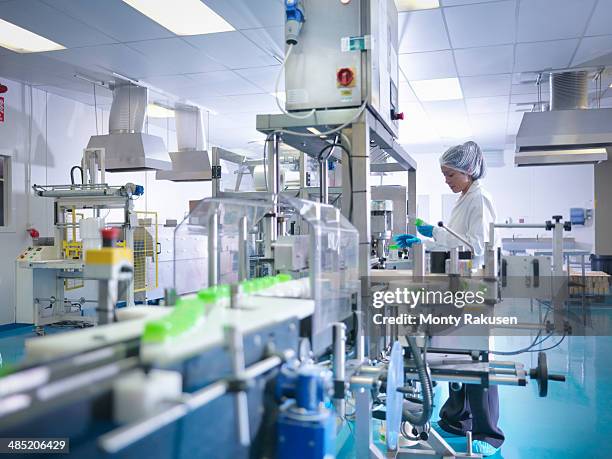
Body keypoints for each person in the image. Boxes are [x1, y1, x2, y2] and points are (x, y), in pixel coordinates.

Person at [394, 141, 503, 456]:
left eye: (450, 174)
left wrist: (429, 235)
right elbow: (457, 239)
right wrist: (428, 236)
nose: (446, 180)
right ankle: (457, 421)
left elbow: (475, 247)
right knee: (456, 355)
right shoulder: (466, 197)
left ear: (468, 171)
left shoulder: (479, 199)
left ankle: (490, 434)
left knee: (477, 358)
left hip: (475, 287)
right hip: (460, 285)